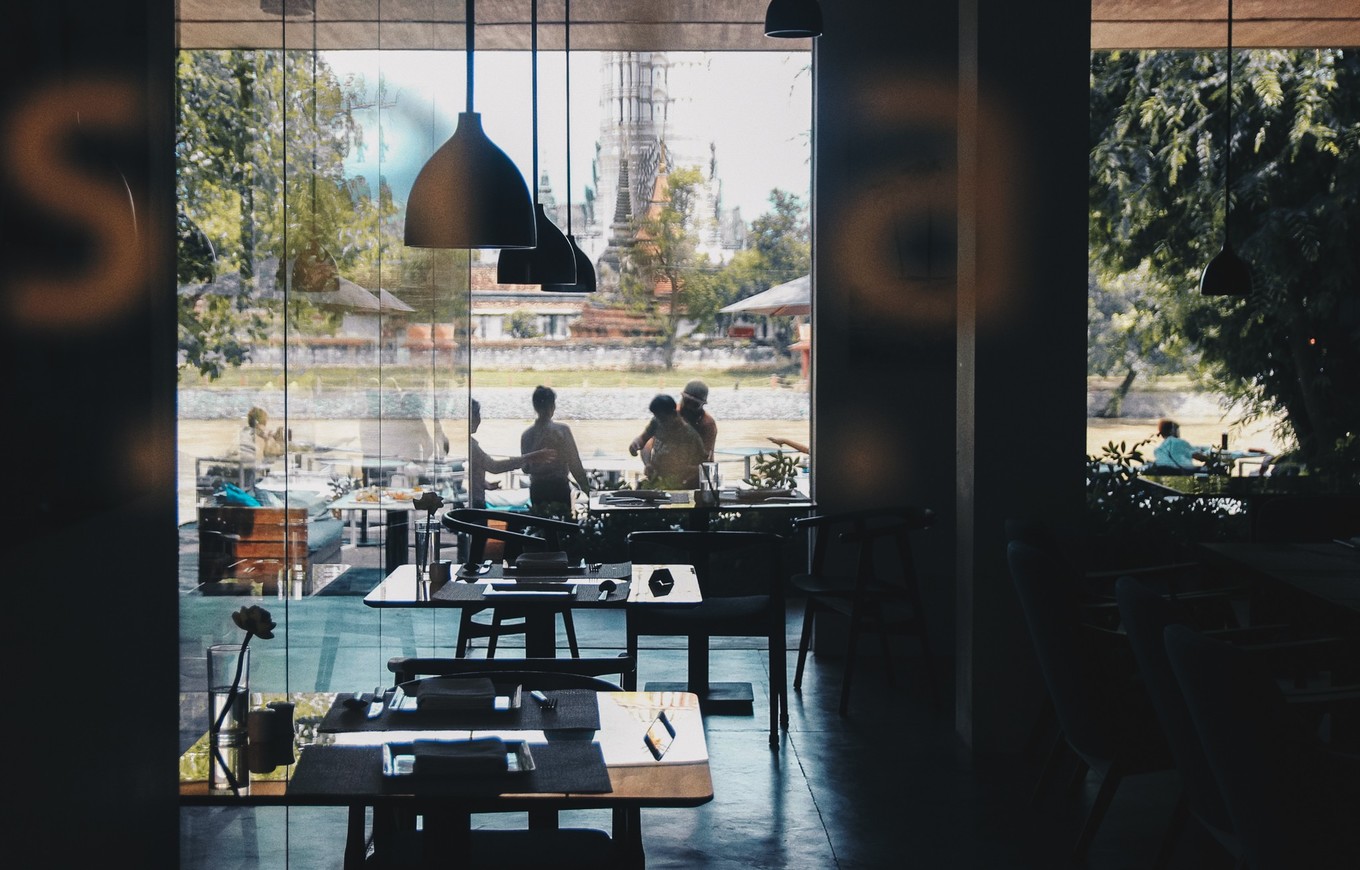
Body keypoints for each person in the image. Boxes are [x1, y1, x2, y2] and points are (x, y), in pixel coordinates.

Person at [467, 398, 556, 509]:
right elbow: (494, 467)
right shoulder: (472, 446)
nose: (479, 419)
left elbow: (477, 467)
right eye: (476, 415)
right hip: (476, 503)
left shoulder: (470, 444)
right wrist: (530, 458)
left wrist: (482, 483)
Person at [520, 385, 590, 516]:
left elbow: (525, 468)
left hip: (537, 488)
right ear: (552, 406)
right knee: (563, 528)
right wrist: (585, 487)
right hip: (559, 486)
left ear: (535, 406)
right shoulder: (562, 431)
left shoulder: (526, 435)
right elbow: (574, 462)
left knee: (541, 529)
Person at [628, 379, 718, 463]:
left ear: (702, 404)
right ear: (682, 397)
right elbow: (647, 440)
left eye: (695, 405)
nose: (689, 408)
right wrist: (647, 463)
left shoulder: (706, 424)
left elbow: (704, 458)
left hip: (692, 471)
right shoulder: (668, 414)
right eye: (687, 401)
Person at [639, 394, 706, 489]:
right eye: (656, 417)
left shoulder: (690, 435)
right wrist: (648, 464)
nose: (660, 422)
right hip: (656, 481)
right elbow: (643, 442)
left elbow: (703, 466)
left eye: (662, 419)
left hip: (679, 484)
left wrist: (687, 472)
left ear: (674, 414)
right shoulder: (656, 423)